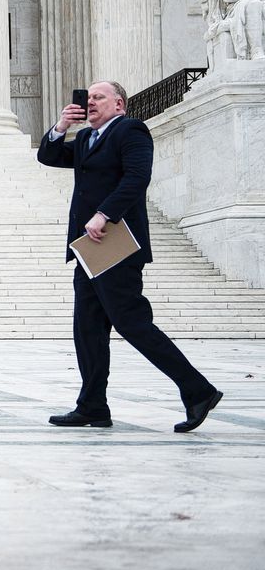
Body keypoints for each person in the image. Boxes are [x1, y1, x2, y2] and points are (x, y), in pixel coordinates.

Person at [37, 80, 222, 432]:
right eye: (87, 98)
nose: (90, 102)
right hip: (88, 249)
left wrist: (105, 213)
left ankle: (198, 390)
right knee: (87, 329)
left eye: (98, 97)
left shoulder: (130, 130)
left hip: (116, 243)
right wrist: (62, 126)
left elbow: (138, 177)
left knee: (132, 323)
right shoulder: (87, 140)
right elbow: (48, 155)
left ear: (119, 104)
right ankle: (92, 406)